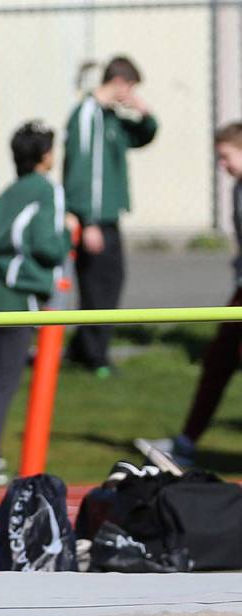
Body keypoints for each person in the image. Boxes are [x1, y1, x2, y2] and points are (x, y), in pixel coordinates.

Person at [136, 122, 242, 467]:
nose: (222, 165)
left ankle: (185, 444)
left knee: (223, 357)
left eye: (226, 157)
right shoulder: (237, 188)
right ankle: (184, 444)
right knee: (218, 360)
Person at [0, 121, 72, 485]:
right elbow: (46, 245)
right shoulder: (46, 190)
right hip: (17, 292)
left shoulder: (7, 192)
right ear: (46, 156)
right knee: (5, 378)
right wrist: (66, 234)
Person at [63, 55, 158, 377]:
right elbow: (80, 169)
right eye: (130, 87)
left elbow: (142, 135)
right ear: (118, 82)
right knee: (98, 288)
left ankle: (83, 348)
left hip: (109, 216)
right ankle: (95, 357)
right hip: (93, 218)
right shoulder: (87, 115)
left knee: (110, 283)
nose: (130, 94)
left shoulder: (111, 118)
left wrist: (144, 111)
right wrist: (86, 220)